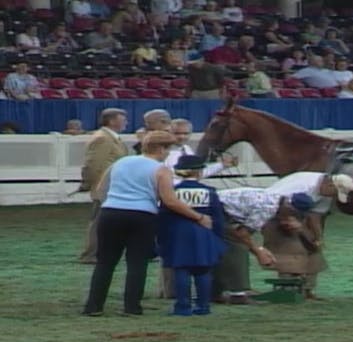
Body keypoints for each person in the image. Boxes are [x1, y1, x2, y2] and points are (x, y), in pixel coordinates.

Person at [82, 131, 213, 316]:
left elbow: (101, 188)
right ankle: (131, 307)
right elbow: (170, 200)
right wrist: (198, 217)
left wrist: (111, 203)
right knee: (137, 263)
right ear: (160, 148)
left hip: (111, 213)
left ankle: (93, 306)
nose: (168, 154)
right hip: (142, 215)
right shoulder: (160, 169)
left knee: (105, 262)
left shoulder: (120, 163)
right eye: (168, 149)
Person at [158, 118, 238, 299]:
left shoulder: (187, 152)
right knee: (189, 261)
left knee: (181, 259)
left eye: (185, 133)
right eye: (178, 133)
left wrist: (220, 166)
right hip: (179, 201)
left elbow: (198, 172)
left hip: (184, 205)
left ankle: (181, 298)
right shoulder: (167, 155)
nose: (181, 137)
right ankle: (177, 293)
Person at [213, 188, 315, 303]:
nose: (292, 217)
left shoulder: (276, 199)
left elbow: (243, 233)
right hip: (215, 207)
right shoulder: (268, 208)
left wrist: (258, 250)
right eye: (293, 213)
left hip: (220, 208)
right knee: (237, 246)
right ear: (288, 206)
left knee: (230, 245)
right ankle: (238, 293)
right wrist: (258, 252)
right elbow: (241, 234)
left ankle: (216, 291)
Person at [263, 172, 353, 299]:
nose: (333, 197)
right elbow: (277, 203)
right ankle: (288, 288)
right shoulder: (302, 186)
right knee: (291, 249)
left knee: (314, 249)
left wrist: (318, 238)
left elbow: (315, 216)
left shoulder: (326, 193)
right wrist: (290, 222)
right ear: (329, 185)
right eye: (334, 193)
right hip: (272, 213)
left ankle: (308, 290)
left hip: (297, 215)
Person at [157, 155, 227, 316]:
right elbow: (217, 218)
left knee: (181, 270)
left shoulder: (173, 192)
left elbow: (163, 216)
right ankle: (203, 306)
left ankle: (183, 306)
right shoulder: (209, 192)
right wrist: (218, 239)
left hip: (178, 234)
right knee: (203, 271)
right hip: (204, 234)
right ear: (199, 172)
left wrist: (162, 238)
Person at [78, 108, 129, 264]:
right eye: (123, 119)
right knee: (99, 221)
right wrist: (88, 182)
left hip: (113, 185)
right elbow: (93, 164)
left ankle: (99, 251)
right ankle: (90, 254)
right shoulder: (103, 139)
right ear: (112, 121)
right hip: (105, 186)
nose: (126, 122)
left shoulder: (111, 138)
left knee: (104, 220)